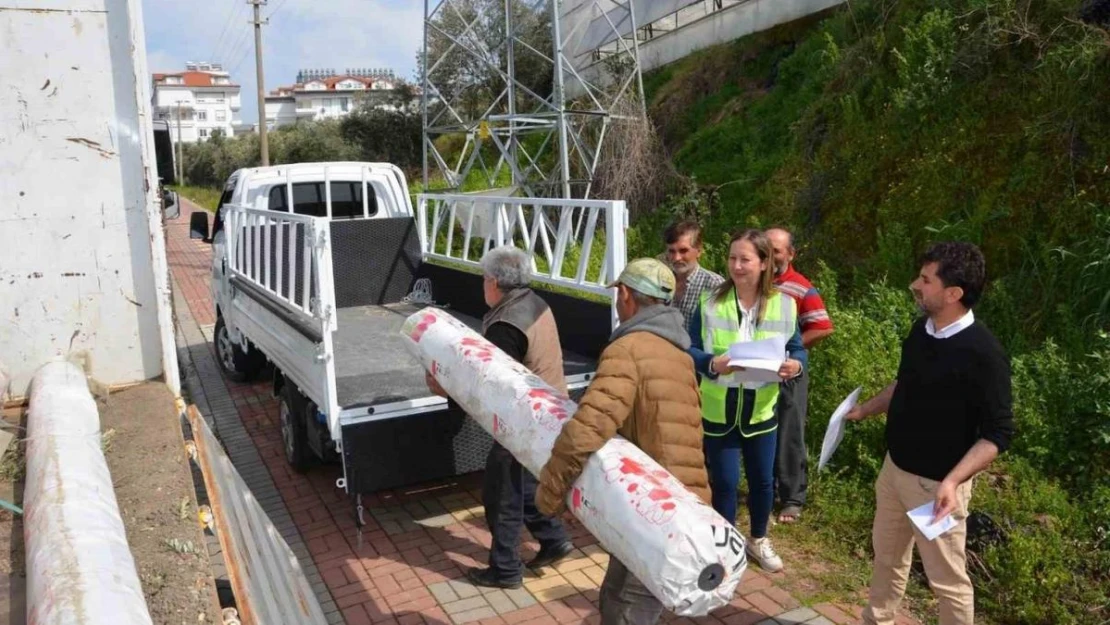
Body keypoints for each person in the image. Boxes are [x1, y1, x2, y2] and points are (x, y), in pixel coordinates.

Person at [846, 242, 1014, 625]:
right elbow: (905, 385)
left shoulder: (984, 354)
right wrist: (865, 409)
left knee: (947, 582)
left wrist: (953, 481)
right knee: (887, 559)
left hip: (935, 490)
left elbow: (998, 434)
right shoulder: (921, 330)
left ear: (953, 293)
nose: (914, 285)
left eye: (925, 279)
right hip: (894, 472)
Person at [535, 258, 709, 625]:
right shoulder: (677, 351)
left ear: (626, 295)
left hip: (653, 509)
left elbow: (587, 428)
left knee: (627, 607)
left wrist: (550, 491)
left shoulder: (627, 350)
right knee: (617, 596)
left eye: (619, 294)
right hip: (681, 500)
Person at [424, 246, 574, 589]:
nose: (482, 285)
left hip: (526, 420)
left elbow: (494, 385)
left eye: (483, 279)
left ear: (493, 281)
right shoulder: (534, 303)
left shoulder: (506, 324)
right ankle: (552, 539)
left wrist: (445, 387)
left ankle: (505, 570)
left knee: (500, 492)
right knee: (522, 484)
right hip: (551, 409)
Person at [687, 229, 806, 573]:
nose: (736, 266)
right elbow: (690, 347)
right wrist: (711, 363)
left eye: (745, 259)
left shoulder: (785, 304)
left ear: (765, 262)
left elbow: (796, 347)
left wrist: (796, 364)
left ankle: (758, 538)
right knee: (723, 482)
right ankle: (727, 544)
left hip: (761, 411)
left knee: (762, 481)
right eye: (732, 258)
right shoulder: (709, 302)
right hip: (718, 409)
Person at [765, 227, 835, 524]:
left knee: (790, 433)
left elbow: (822, 326)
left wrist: (790, 350)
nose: (770, 256)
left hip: (790, 371)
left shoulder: (801, 287)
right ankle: (764, 492)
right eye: (765, 249)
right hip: (757, 370)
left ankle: (792, 498)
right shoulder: (751, 281)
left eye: (776, 250)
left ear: (790, 254)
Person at [663, 220, 725, 333]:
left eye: (683, 251)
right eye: (672, 251)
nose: (677, 258)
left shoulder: (713, 284)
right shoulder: (660, 282)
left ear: (699, 250)